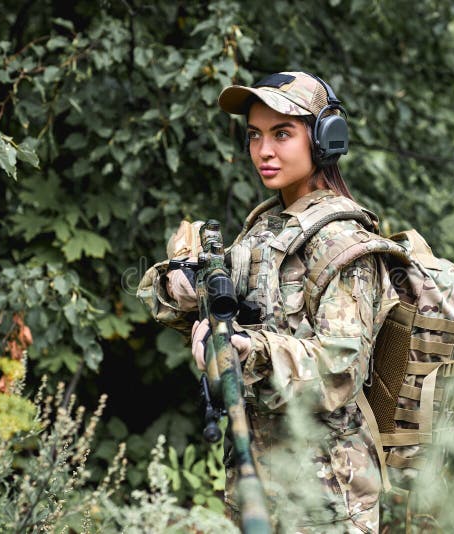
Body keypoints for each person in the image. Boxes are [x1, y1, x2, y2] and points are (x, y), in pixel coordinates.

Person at [139, 71, 399, 533]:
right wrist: (183, 287)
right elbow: (228, 305)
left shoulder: (344, 245)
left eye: (282, 134)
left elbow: (338, 369)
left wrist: (246, 351)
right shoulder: (268, 228)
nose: (264, 151)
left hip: (326, 501)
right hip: (261, 481)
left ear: (324, 139)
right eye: (255, 135)